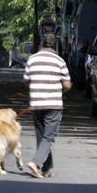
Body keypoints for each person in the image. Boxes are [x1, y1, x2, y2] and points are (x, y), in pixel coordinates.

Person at [23, 33, 72, 178]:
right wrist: (63, 89)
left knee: (42, 136)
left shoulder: (32, 59)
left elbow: (26, 80)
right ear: (55, 46)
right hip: (53, 104)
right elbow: (67, 84)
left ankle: (46, 168)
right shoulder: (59, 61)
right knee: (49, 137)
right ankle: (35, 162)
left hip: (37, 103)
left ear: (41, 44)